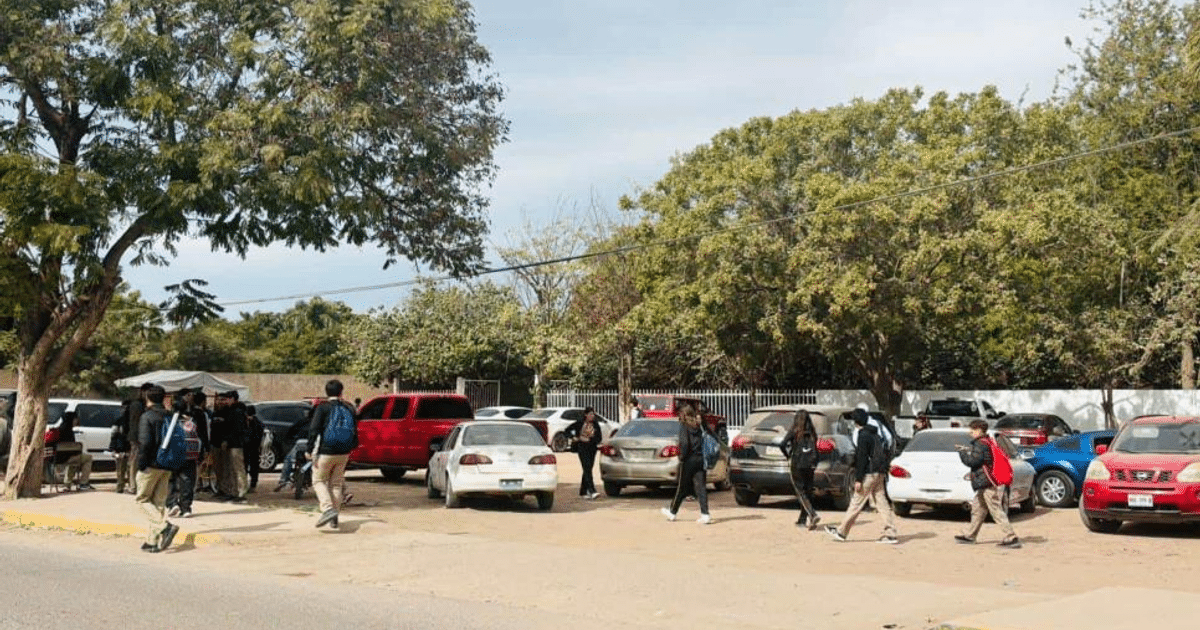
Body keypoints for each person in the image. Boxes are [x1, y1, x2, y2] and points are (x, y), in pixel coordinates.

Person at [825, 408, 898, 544]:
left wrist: (858, 479)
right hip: (880, 471)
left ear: (856, 422)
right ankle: (890, 533)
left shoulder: (863, 435)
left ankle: (841, 531)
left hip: (869, 474)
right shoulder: (875, 433)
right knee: (882, 503)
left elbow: (862, 459)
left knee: (856, 503)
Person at [955, 420, 1021, 548]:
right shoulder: (987, 442)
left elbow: (973, 461)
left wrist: (962, 453)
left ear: (979, 430)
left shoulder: (980, 444)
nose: (970, 432)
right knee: (978, 510)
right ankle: (970, 535)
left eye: (972, 430)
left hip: (987, 482)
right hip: (984, 482)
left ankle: (1011, 537)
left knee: (996, 510)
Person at [306, 379, 358, 529]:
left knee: (318, 481)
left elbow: (314, 430)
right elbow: (355, 429)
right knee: (336, 484)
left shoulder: (323, 408)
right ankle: (334, 517)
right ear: (341, 392)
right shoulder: (349, 407)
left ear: (326, 392)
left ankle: (328, 509)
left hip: (326, 452)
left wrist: (309, 450)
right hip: (344, 452)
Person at [135, 385, 180, 553]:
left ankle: (165, 527)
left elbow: (145, 443)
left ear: (147, 398)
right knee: (158, 503)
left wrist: (141, 463)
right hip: (167, 463)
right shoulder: (170, 416)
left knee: (142, 499)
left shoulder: (147, 416)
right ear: (163, 398)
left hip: (151, 464)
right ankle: (152, 541)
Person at [661, 404, 712, 524]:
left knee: (681, 488)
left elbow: (684, 444)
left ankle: (672, 512)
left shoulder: (684, 427)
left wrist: (681, 457)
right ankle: (705, 514)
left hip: (689, 460)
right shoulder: (699, 426)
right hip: (700, 459)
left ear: (683, 415)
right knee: (701, 488)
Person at [779, 409, 819, 530]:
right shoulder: (812, 432)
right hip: (810, 465)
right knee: (807, 491)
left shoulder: (795, 431)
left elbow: (782, 444)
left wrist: (788, 455)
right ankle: (802, 519)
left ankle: (812, 514)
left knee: (800, 492)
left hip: (797, 464)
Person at [166, 391, 200, 518]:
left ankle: (172, 503)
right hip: (190, 455)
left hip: (173, 454)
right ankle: (186, 508)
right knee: (187, 481)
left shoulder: (169, 419)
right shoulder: (191, 420)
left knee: (171, 480)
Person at [211, 390, 248, 502]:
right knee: (231, 470)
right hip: (231, 445)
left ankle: (241, 493)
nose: (225, 401)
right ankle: (232, 492)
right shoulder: (230, 411)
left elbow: (236, 429)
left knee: (238, 469)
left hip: (236, 445)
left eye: (227, 398)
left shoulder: (237, 411)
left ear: (233, 399)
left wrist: (226, 440)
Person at [564, 406, 603, 500]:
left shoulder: (595, 424)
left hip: (592, 449)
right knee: (587, 468)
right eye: (590, 414)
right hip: (582, 448)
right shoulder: (579, 423)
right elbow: (567, 431)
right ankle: (592, 490)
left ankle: (583, 491)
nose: (592, 416)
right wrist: (574, 437)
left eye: (593, 414)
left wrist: (592, 439)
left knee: (588, 469)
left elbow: (599, 437)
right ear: (586, 415)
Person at [51, 411, 94, 490]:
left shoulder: (60, 429)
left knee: (74, 459)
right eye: (75, 419)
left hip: (57, 458)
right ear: (72, 420)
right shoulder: (68, 431)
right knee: (88, 458)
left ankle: (67, 483)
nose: (77, 421)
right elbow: (71, 449)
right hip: (66, 458)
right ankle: (83, 483)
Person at [243, 404, 264, 492]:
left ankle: (249, 484)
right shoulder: (259, 422)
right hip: (254, 448)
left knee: (248, 466)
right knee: (253, 467)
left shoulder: (251, 423)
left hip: (249, 447)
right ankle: (252, 484)